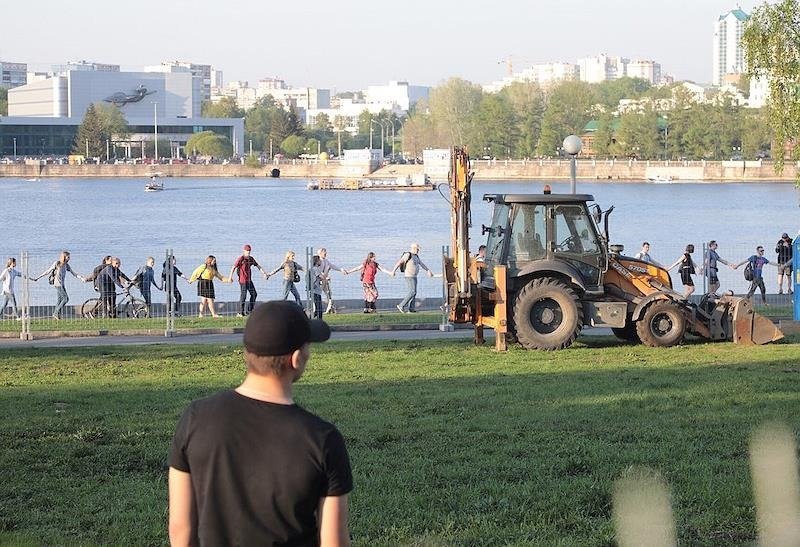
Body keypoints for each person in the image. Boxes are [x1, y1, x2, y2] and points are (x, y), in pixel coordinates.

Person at [168, 301, 352, 546]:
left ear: (247, 353)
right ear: (296, 359)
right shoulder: (322, 439)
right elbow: (334, 543)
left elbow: (180, 530)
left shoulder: (195, 418)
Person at [35, 251, 84, 319]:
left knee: (60, 300)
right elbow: (48, 271)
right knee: (66, 299)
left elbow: (74, 273)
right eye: (68, 257)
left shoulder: (66, 265)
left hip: (62, 284)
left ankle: (56, 314)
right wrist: (38, 277)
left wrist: (81, 278)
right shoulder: (57, 263)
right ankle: (56, 313)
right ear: (64, 257)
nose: (69, 258)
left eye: (69, 257)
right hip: (57, 284)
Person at [391, 243, 433, 313]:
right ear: (413, 248)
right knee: (412, 292)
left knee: (414, 292)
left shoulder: (416, 256)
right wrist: (393, 271)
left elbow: (422, 264)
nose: (418, 251)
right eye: (417, 249)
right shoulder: (408, 255)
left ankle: (411, 309)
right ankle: (401, 305)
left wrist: (428, 270)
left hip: (414, 276)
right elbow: (399, 262)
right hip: (409, 276)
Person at [228, 244, 267, 317]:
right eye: (247, 251)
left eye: (249, 251)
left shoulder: (251, 259)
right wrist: (230, 277)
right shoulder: (241, 259)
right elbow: (233, 267)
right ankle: (240, 312)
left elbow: (258, 266)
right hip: (242, 280)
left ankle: (250, 310)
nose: (248, 252)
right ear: (244, 251)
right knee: (244, 295)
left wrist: (264, 273)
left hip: (249, 280)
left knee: (254, 294)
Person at [317, 248, 345, 314]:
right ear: (320, 254)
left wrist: (341, 270)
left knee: (329, 294)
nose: (326, 254)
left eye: (326, 253)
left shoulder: (326, 261)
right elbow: (318, 271)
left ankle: (329, 309)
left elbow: (332, 266)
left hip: (325, 281)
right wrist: (325, 277)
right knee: (318, 294)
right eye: (324, 253)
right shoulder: (318, 261)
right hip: (319, 281)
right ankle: (317, 310)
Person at [310, 255, 324, 319]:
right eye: (319, 260)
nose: (320, 261)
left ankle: (309, 319)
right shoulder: (316, 269)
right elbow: (321, 277)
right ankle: (319, 320)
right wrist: (326, 278)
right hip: (316, 291)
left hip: (313, 290)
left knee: (317, 308)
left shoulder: (311, 269)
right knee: (319, 308)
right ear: (316, 261)